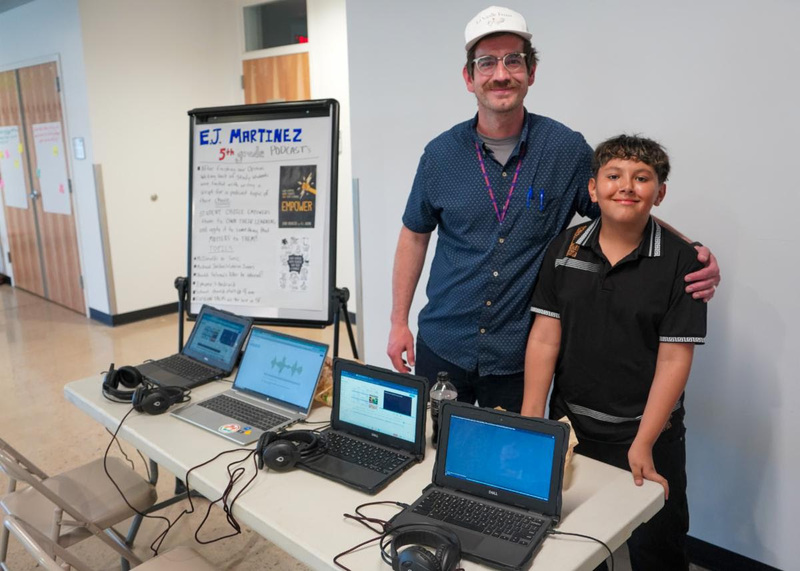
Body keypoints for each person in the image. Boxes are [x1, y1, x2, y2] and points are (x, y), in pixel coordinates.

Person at [387, 6, 720, 413]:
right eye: (486, 63)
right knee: (434, 451)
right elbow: (414, 234)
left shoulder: (565, 150)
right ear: (468, 77)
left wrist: (692, 252)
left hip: (519, 354)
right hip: (443, 345)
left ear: (531, 71)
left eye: (514, 60)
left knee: (506, 467)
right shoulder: (440, 155)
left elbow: (620, 206)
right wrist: (398, 321)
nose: (501, 74)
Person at [521, 134, 704, 570]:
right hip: (575, 429)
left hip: (648, 436)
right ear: (593, 189)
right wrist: (532, 418)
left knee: (657, 546)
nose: (627, 186)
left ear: (659, 194)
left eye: (642, 178)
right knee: (578, 544)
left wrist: (642, 444)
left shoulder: (682, 263)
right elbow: (546, 338)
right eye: (614, 175)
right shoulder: (563, 249)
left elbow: (675, 359)